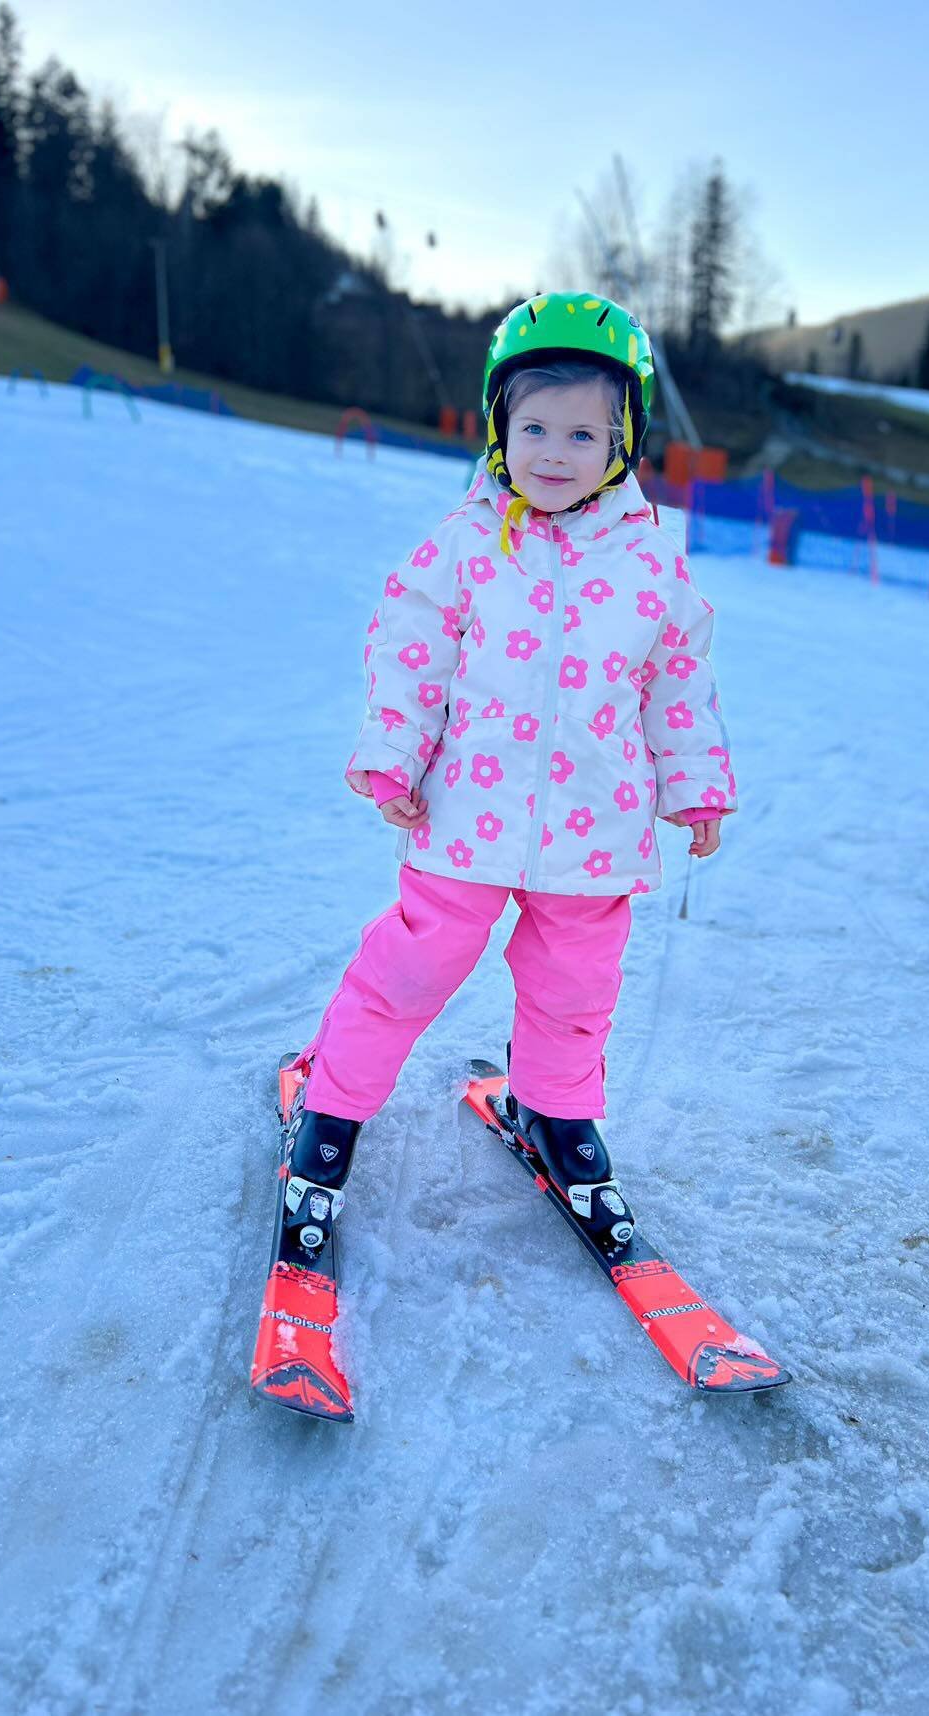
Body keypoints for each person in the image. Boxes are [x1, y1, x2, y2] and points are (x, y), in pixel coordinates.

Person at [287, 292, 736, 1246]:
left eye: (582, 432)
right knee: (409, 968)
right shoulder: (465, 544)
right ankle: (329, 1113)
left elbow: (679, 681)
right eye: (533, 426)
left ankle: (555, 1114)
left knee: (578, 988)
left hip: (594, 831)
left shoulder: (652, 565)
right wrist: (393, 757)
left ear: (623, 441)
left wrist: (693, 782)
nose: (554, 452)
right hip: (463, 817)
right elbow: (412, 653)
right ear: (498, 428)